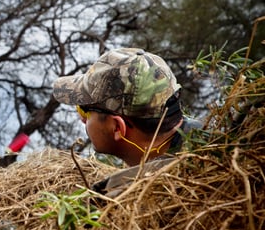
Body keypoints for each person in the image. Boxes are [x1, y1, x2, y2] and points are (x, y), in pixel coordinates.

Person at [51, 47, 194, 198]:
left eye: (85, 109)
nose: (82, 118)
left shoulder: (118, 203)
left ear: (117, 127)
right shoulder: (212, 138)